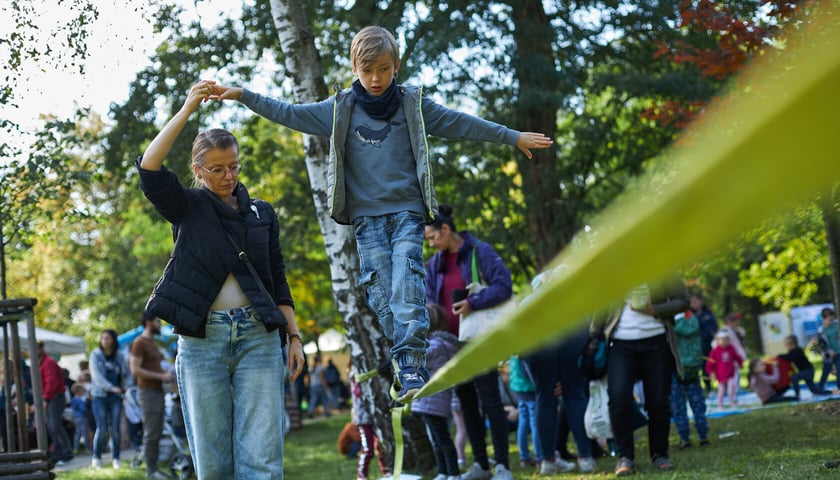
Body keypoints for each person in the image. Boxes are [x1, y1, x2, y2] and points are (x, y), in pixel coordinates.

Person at [208, 25, 553, 403]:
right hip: (367, 220)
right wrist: (243, 95)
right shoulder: (340, 110)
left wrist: (512, 136)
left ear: (396, 67)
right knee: (382, 295)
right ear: (355, 67)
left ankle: (411, 364)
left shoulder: (412, 106)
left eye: (384, 70)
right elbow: (289, 113)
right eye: (368, 70)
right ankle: (405, 356)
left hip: (406, 212)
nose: (376, 79)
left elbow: (460, 122)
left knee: (406, 279)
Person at [137, 81, 305, 479]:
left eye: (234, 166)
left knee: (262, 460)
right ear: (198, 171)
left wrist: (294, 337)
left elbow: (277, 280)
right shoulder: (187, 207)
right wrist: (187, 109)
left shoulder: (262, 213)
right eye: (217, 168)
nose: (228, 175)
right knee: (212, 465)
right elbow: (149, 167)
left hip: (259, 338)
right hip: (202, 341)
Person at [424, 205, 515, 480]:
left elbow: (504, 285)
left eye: (432, 237)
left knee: (490, 401)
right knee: (466, 405)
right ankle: (482, 466)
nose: (430, 244)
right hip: (452, 345)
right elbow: (430, 302)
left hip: (479, 340)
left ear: (446, 230)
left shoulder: (479, 251)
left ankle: (501, 465)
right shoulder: (433, 266)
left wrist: (473, 303)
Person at [593, 276, 688, 477]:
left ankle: (660, 454)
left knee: (658, 402)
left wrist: (656, 310)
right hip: (620, 345)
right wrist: (593, 335)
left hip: (657, 343)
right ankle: (625, 457)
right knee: (619, 400)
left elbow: (682, 301)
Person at [411, 303, 461, 480]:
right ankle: (444, 471)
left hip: (432, 400)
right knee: (438, 439)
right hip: (434, 401)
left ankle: (453, 473)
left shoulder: (436, 345)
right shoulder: (444, 343)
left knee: (441, 439)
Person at [129, 310, 176, 479]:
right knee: (151, 433)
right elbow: (135, 370)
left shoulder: (153, 343)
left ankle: (154, 468)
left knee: (156, 432)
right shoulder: (139, 343)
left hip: (157, 392)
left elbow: (155, 367)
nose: (159, 324)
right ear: (149, 323)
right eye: (157, 321)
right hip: (147, 393)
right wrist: (161, 376)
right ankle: (151, 471)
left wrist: (167, 375)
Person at [669, 311, 710, 449]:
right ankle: (703, 434)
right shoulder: (693, 319)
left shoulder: (670, 323)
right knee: (698, 403)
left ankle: (684, 437)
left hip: (677, 369)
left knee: (678, 405)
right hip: (693, 367)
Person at [89, 329, 127, 469]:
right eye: (102, 338)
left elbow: (125, 374)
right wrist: (112, 387)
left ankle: (116, 458)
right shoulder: (95, 355)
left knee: (115, 428)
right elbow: (97, 377)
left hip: (116, 397)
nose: (104, 341)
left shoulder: (119, 355)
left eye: (108, 338)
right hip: (100, 396)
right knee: (102, 428)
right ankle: (96, 457)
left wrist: (126, 387)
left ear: (113, 341)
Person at [348, 368, 389, 480]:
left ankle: (386, 471)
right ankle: (361, 475)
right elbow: (358, 392)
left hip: (376, 414)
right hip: (364, 417)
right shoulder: (356, 371)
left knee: (382, 446)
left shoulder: (368, 366)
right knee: (368, 449)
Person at [37, 341, 73, 465]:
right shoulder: (41, 363)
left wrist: (46, 399)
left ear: (41, 348)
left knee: (55, 426)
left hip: (55, 397)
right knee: (52, 427)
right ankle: (59, 452)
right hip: (50, 397)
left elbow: (51, 383)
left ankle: (65, 453)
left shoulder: (49, 362)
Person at [508, 355, 540, 468]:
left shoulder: (513, 352)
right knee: (535, 422)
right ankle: (539, 457)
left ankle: (524, 457)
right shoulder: (524, 351)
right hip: (529, 388)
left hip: (518, 388)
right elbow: (528, 370)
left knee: (523, 422)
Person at [706, 330, 744, 409]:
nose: (724, 342)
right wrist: (711, 372)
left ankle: (732, 402)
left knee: (731, 388)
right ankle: (720, 405)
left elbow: (737, 357)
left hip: (730, 373)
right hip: (720, 375)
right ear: (718, 340)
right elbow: (710, 363)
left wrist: (740, 364)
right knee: (721, 390)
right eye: (722, 340)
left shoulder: (731, 349)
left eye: (726, 340)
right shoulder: (715, 351)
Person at [689, 294, 718, 393]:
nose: (694, 304)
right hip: (696, 346)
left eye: (695, 301)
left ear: (700, 301)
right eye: (691, 302)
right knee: (702, 367)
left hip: (709, 345)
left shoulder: (708, 313)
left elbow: (714, 328)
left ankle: (721, 386)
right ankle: (708, 388)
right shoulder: (689, 315)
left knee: (714, 365)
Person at [815, 308, 839, 391]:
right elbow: (820, 345)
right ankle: (820, 388)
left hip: (838, 353)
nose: (831, 321)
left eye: (832, 319)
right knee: (826, 371)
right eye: (829, 320)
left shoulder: (836, 326)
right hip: (828, 355)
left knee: (839, 370)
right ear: (823, 319)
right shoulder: (821, 331)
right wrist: (828, 351)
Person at [70, 383, 90, 453]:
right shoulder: (80, 400)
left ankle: (76, 448)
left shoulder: (73, 399)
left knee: (77, 433)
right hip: (82, 417)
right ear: (79, 391)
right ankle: (88, 448)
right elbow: (83, 409)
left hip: (76, 418)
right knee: (85, 433)